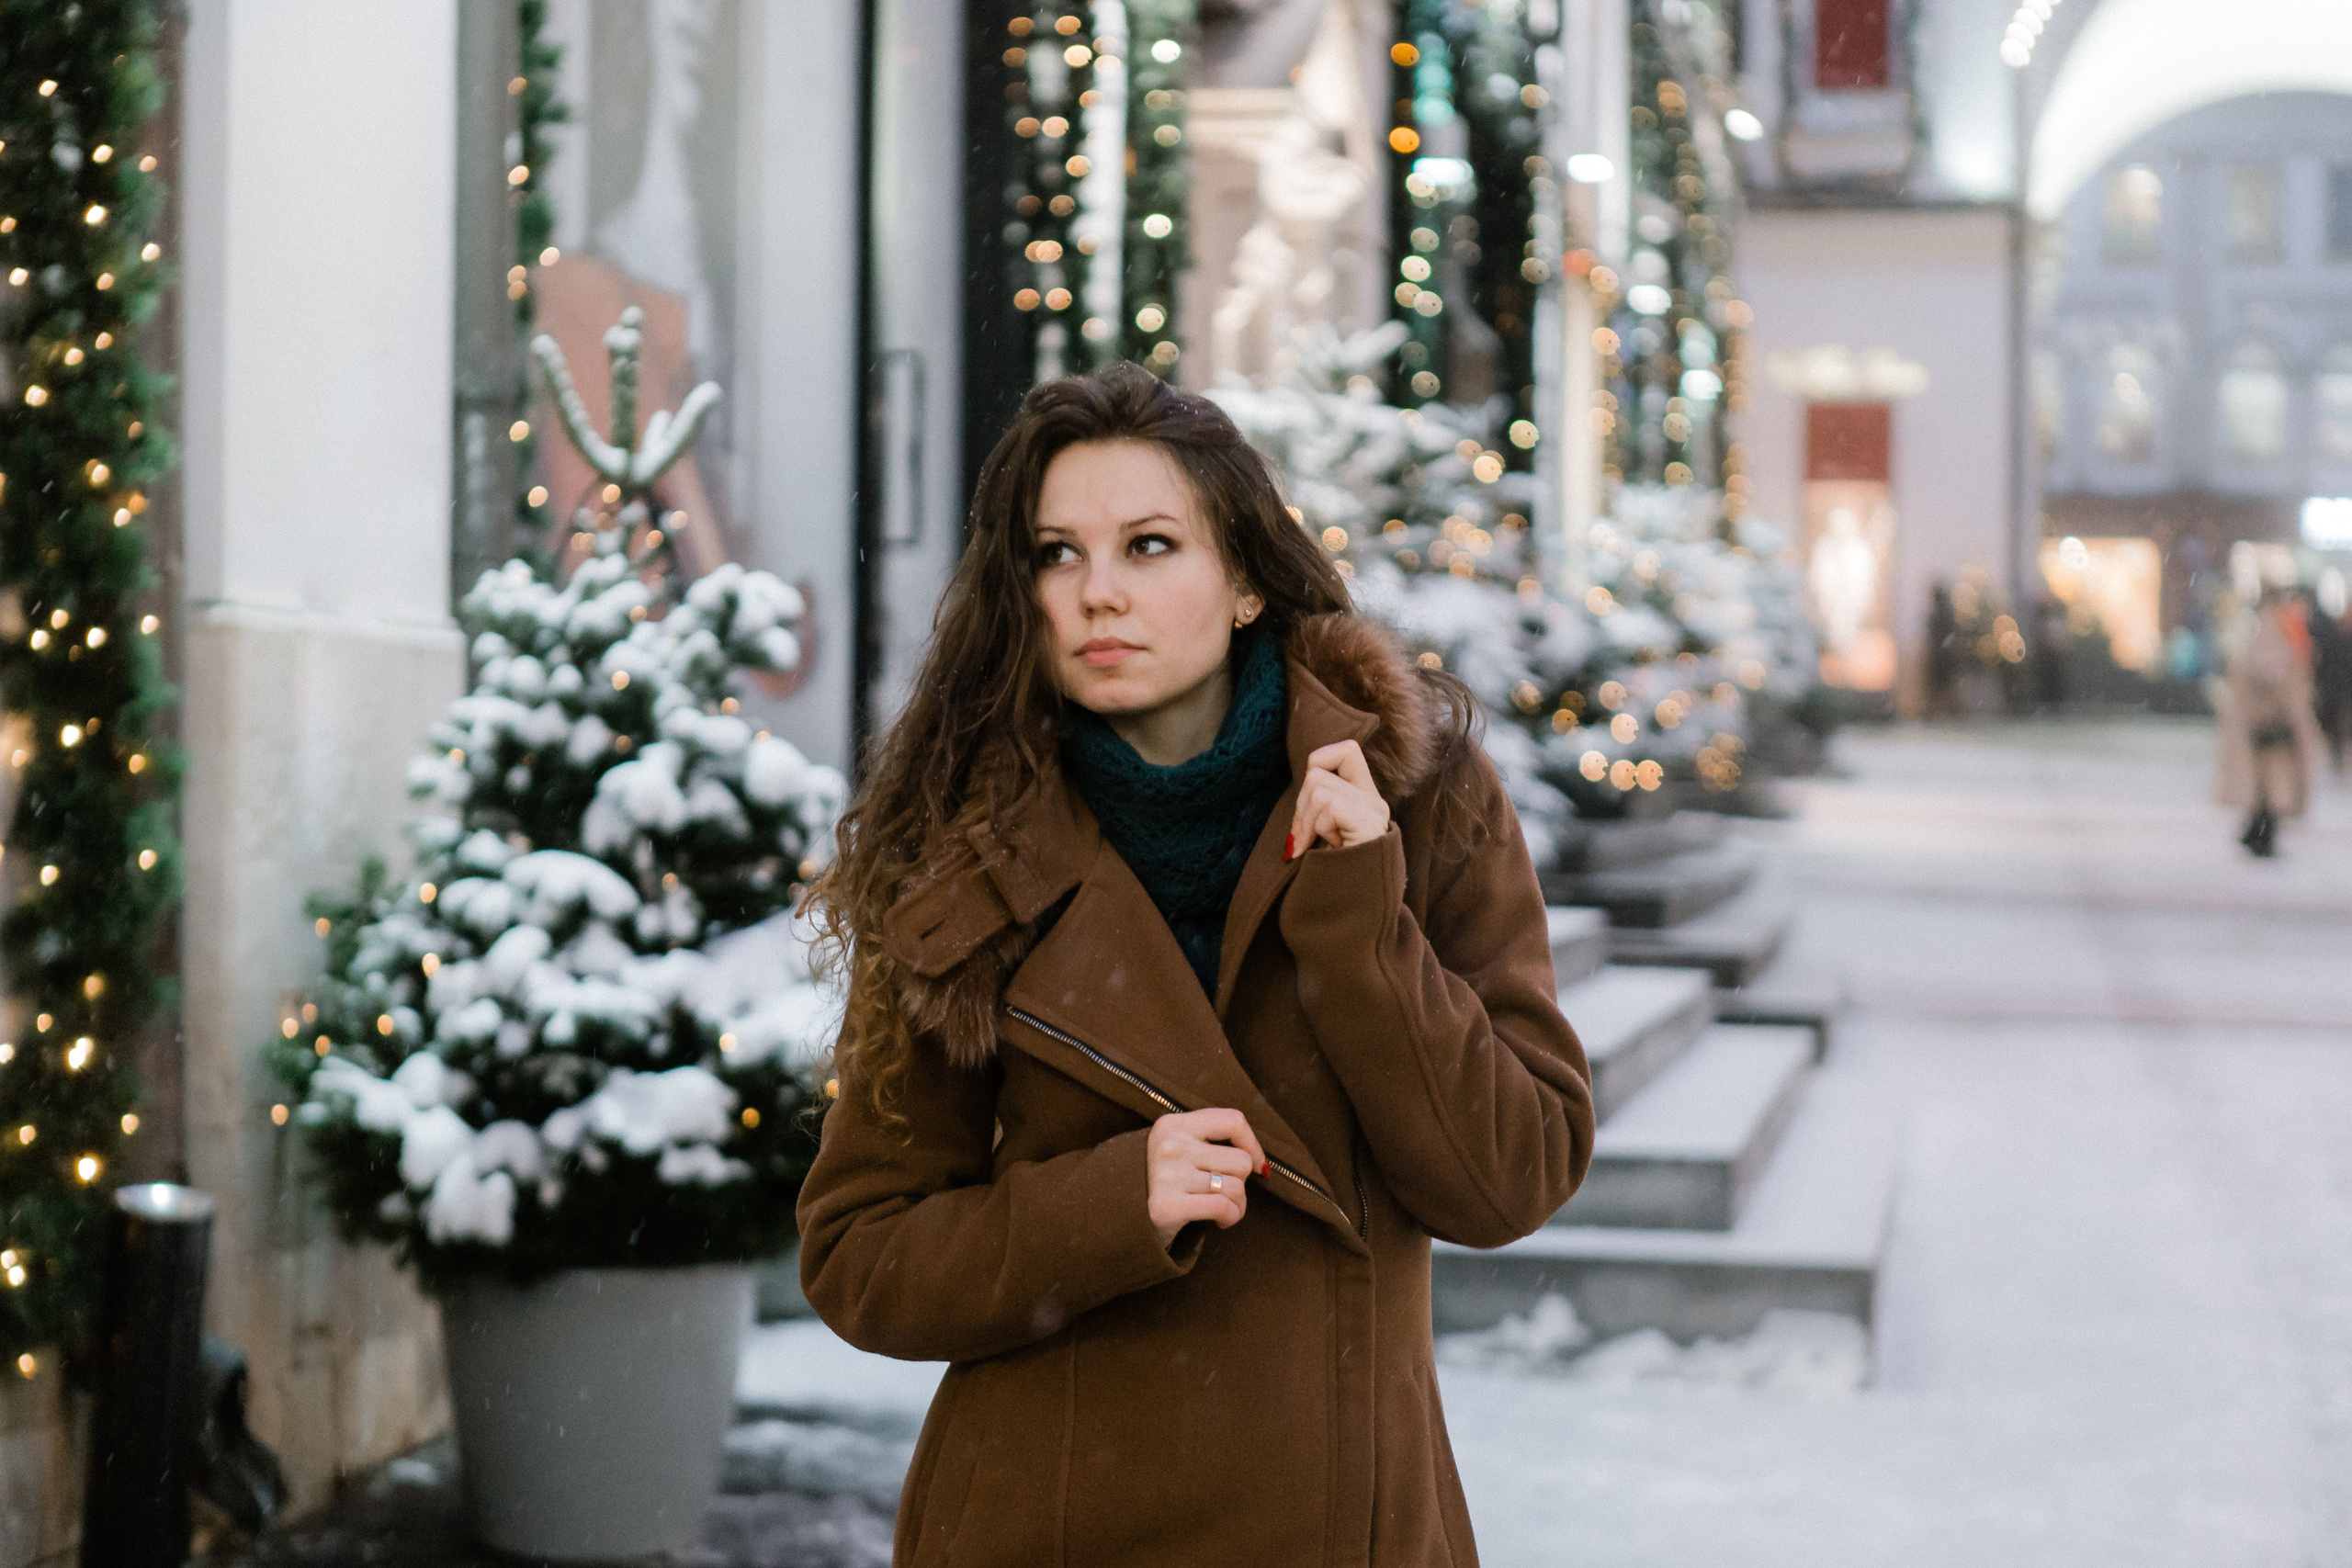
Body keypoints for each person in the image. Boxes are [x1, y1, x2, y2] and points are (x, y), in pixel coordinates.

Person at [796, 364, 1595, 1566]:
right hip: (1046, 1520)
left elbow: (1510, 1175)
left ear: (1243, 583)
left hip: (1341, 1519)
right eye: (1056, 552)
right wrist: (1111, 1203)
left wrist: (1359, 922)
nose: (1097, 592)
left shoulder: (1419, 798)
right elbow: (861, 1254)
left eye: (1150, 544)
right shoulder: (963, 850)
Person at [2214, 585, 2320, 857]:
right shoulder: (2275, 625)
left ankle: (2257, 833)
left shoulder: (2263, 625)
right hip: (2271, 720)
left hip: (2264, 720)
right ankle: (2260, 835)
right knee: (2271, 783)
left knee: (2265, 783)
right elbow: (2270, 669)